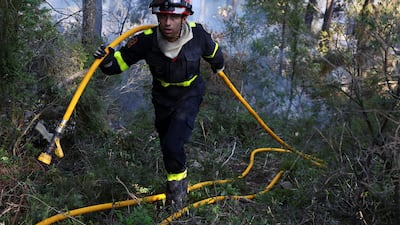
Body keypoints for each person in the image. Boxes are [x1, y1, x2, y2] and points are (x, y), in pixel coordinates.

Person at [93, 0, 224, 208]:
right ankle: (174, 181)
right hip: (162, 98)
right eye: (162, 16)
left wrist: (218, 64)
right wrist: (107, 61)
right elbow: (119, 63)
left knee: (173, 144)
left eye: (173, 17)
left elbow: (215, 54)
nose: (167, 23)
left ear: (184, 17)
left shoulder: (198, 35)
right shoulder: (146, 41)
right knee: (166, 145)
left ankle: (177, 195)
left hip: (189, 95)